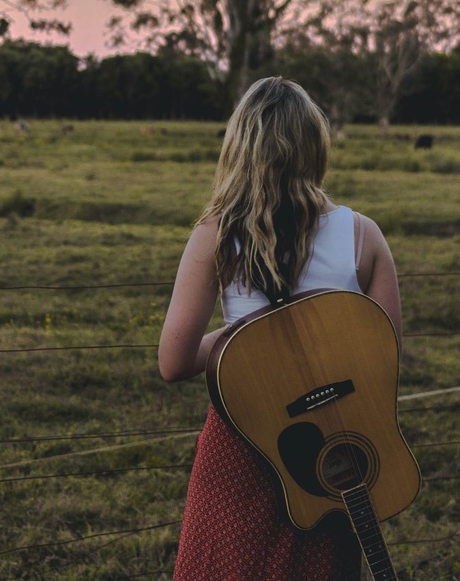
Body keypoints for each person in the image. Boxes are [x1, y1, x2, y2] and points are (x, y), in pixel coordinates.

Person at [159, 77, 403, 581]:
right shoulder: (363, 236)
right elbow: (386, 359)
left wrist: (246, 339)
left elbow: (174, 361)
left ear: (240, 147)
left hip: (243, 440)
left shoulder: (216, 235)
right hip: (332, 453)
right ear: (315, 146)